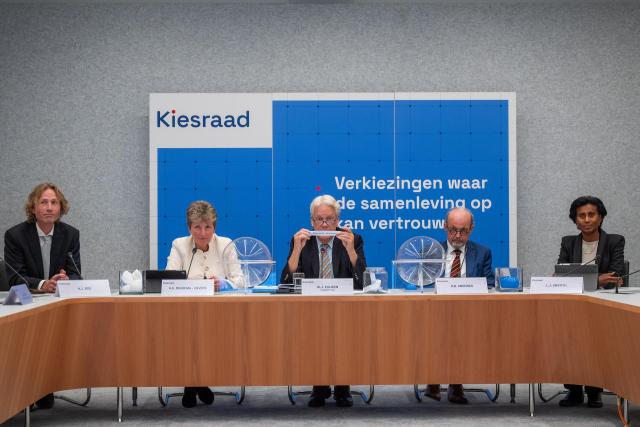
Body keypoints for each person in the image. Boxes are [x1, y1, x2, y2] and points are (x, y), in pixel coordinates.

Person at [280, 194, 366, 407]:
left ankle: (342, 387)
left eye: (330, 219)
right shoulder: (302, 241)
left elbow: (364, 282)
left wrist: (351, 251)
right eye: (319, 220)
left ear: (338, 220)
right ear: (312, 221)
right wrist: (296, 250)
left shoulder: (352, 239)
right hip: (310, 309)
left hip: (345, 309)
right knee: (312, 331)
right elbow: (286, 282)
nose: (325, 224)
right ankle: (318, 387)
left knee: (345, 331)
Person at [3, 182, 81, 409]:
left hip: (56, 298)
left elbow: (76, 272)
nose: (49, 207)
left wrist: (66, 280)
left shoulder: (70, 234)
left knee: (59, 336)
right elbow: (14, 278)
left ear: (60, 207)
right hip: (24, 297)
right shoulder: (15, 235)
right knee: (27, 336)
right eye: (43, 202)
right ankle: (26, 389)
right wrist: (43, 283)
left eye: (54, 202)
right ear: (33, 207)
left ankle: (45, 385)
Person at [166, 200, 243, 408]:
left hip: (221, 312)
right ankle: (197, 384)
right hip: (187, 311)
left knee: (205, 331)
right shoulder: (179, 245)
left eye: (208, 227)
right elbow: (170, 280)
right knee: (189, 330)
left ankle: (192, 386)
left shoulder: (226, 244)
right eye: (197, 227)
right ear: (189, 227)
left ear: (214, 227)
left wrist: (223, 283)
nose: (203, 233)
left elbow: (240, 281)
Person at [557, 195, 624, 408]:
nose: (586, 220)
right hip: (574, 304)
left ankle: (595, 391)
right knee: (571, 343)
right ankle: (574, 391)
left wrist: (582, 279)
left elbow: (616, 274)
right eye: (581, 216)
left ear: (601, 217)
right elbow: (561, 275)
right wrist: (596, 278)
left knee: (597, 344)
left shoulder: (614, 241)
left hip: (602, 304)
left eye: (591, 215)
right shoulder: (568, 242)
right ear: (575, 220)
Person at [426, 207, 494, 405]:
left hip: (470, 311)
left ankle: (456, 383)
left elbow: (489, 283)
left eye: (463, 231)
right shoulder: (431, 251)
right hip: (435, 309)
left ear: (471, 229)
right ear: (444, 226)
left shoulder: (482, 253)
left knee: (461, 328)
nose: (457, 236)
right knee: (434, 326)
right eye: (453, 230)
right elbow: (420, 283)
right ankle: (433, 378)